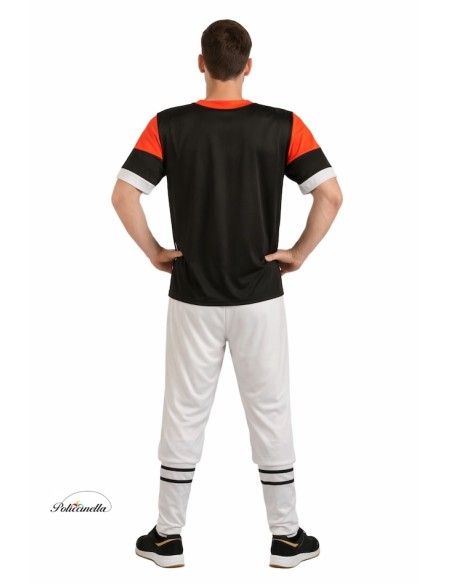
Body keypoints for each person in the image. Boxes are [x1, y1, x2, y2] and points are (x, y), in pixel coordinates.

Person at [111, 19, 343, 569]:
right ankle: (286, 539)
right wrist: (299, 253)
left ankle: (167, 538)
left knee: (183, 410)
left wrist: (154, 251)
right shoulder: (283, 125)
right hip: (260, 294)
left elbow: (123, 195)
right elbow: (331, 195)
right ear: (248, 66)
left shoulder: (168, 124)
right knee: (271, 408)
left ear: (201, 63)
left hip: (192, 294)